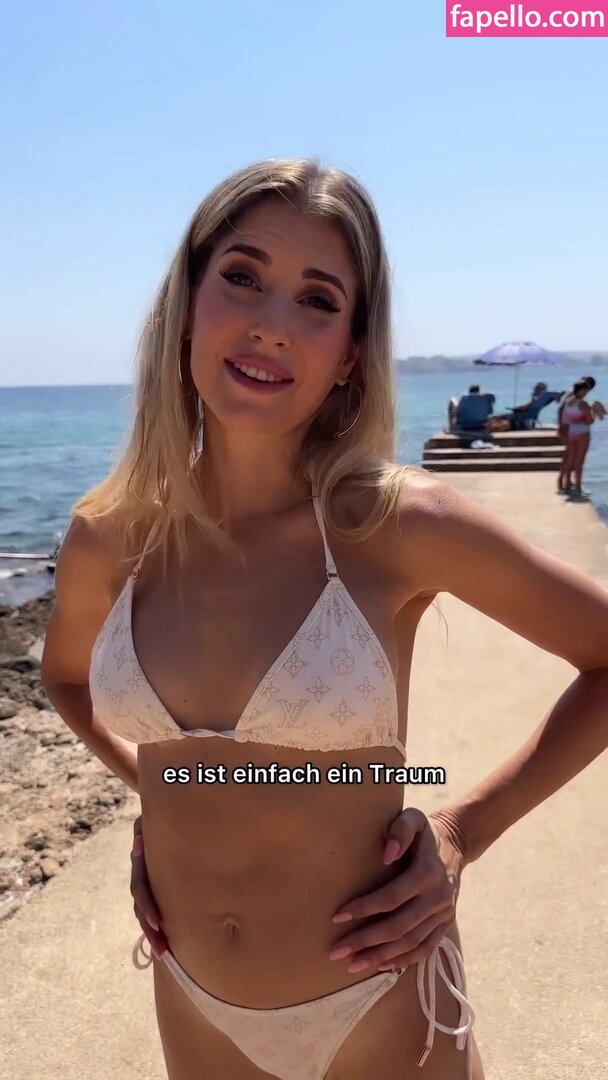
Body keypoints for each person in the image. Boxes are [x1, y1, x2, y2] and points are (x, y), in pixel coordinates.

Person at [40, 159, 608, 1080]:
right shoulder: (111, 536)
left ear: (350, 351)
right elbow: (65, 679)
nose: (271, 323)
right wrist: (161, 791)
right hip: (192, 996)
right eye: (242, 276)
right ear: (186, 304)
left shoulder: (395, 526)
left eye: (317, 299)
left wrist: (464, 829)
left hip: (379, 1005)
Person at [557, 377, 596, 498]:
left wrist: (560, 425)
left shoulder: (568, 401)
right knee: (579, 461)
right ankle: (578, 488)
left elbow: (563, 413)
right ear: (582, 390)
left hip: (572, 431)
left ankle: (565, 482)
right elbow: (589, 421)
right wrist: (594, 411)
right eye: (586, 390)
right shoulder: (583, 404)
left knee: (570, 459)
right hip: (582, 432)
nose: (586, 393)